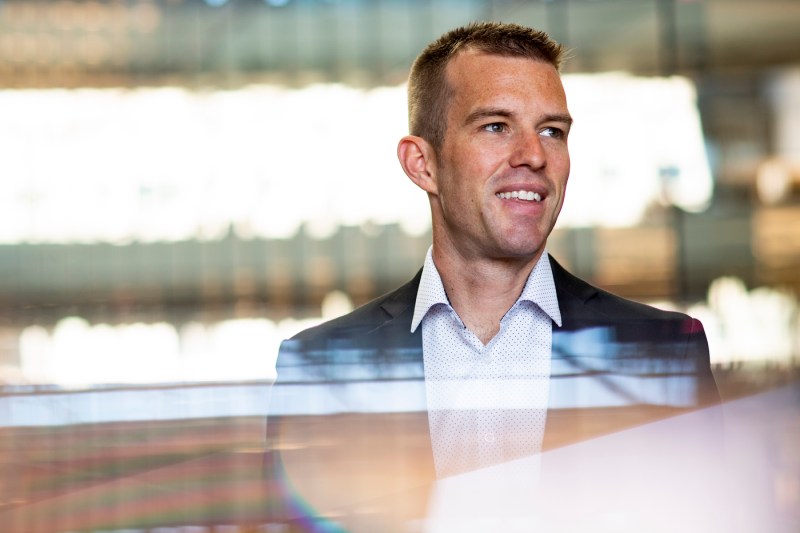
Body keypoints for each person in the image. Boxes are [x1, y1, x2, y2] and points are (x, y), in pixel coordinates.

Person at [265, 21, 721, 532]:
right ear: (422, 164)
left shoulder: (662, 353)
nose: (533, 154)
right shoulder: (323, 367)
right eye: (496, 126)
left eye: (552, 131)